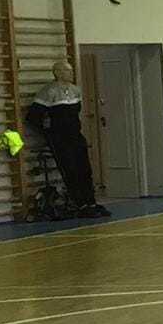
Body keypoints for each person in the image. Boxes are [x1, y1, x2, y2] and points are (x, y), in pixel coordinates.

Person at [25, 59, 108, 215]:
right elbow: (33, 117)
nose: (71, 73)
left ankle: (91, 202)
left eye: (71, 70)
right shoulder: (49, 91)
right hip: (60, 138)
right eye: (67, 70)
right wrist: (48, 133)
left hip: (76, 135)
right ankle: (80, 204)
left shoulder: (75, 90)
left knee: (85, 169)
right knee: (70, 170)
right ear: (57, 73)